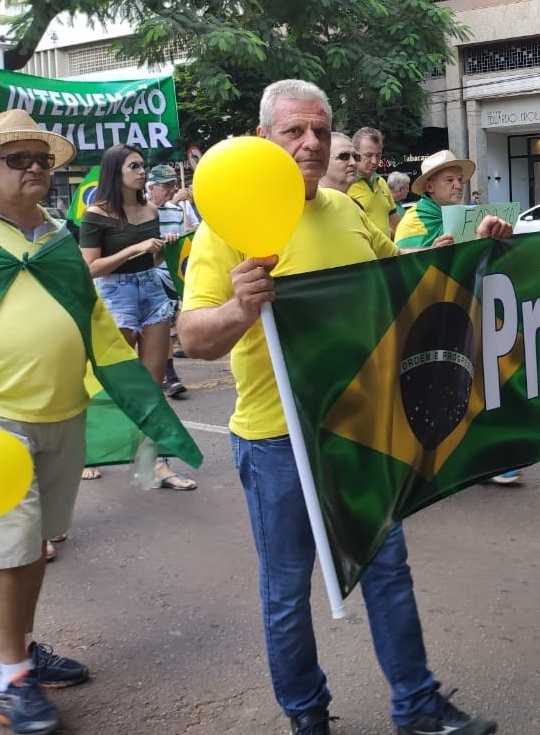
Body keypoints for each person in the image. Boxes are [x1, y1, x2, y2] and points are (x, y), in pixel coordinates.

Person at [179, 80, 497, 735]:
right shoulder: (226, 227)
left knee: (388, 573)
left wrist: (472, 247)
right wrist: (242, 306)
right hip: (275, 442)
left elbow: (406, 274)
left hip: (361, 429)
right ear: (264, 138)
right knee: (287, 596)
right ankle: (307, 717)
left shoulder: (349, 209)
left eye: (322, 131)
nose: (312, 143)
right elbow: (193, 339)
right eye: (295, 131)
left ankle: (417, 705)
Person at [0, 111, 93, 735]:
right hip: (3, 417)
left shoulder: (58, 236)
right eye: (18, 159)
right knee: (11, 544)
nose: (36, 168)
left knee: (35, 544)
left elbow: (93, 321)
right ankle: (9, 677)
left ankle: (20, 650)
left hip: (63, 410)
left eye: (43, 159)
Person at [393, 150, 520, 485]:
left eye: (459, 180)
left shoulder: (467, 216)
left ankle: (478, 457)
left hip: (462, 311)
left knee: (470, 385)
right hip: (427, 319)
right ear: (429, 187)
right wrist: (434, 253)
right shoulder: (412, 222)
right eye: (448, 180)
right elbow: (403, 272)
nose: (457, 185)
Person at [79, 144, 196, 491]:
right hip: (116, 296)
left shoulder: (150, 210)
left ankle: (155, 463)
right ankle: (88, 452)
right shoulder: (96, 214)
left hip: (152, 293)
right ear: (116, 171)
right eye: (134, 166)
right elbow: (91, 267)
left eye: (142, 166)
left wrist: (163, 246)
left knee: (152, 385)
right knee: (110, 382)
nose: (142, 172)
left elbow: (153, 261)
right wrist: (135, 248)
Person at [145, 164, 200, 398]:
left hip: (169, 276)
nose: (170, 190)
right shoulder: (140, 211)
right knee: (159, 326)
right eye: (165, 185)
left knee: (165, 325)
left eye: (172, 185)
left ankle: (168, 375)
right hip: (144, 275)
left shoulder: (176, 212)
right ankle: (166, 376)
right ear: (152, 187)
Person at [348, 127, 399, 238]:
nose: (374, 161)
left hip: (388, 253)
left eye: (378, 155)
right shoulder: (344, 185)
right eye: (368, 155)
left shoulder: (381, 182)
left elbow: (397, 225)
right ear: (354, 154)